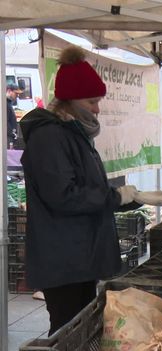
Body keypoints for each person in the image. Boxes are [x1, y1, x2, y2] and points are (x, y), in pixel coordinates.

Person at [19, 45, 141, 336]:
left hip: (80, 254)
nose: (98, 108)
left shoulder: (73, 133)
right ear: (70, 101)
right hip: (63, 257)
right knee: (67, 330)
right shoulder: (49, 137)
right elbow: (63, 195)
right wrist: (114, 196)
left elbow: (87, 188)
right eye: (92, 101)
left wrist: (129, 198)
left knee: (81, 328)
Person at [6, 83, 22, 148]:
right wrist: (13, 134)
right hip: (8, 138)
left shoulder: (8, 103)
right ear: (9, 91)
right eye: (16, 93)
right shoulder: (5, 104)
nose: (17, 95)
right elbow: (5, 122)